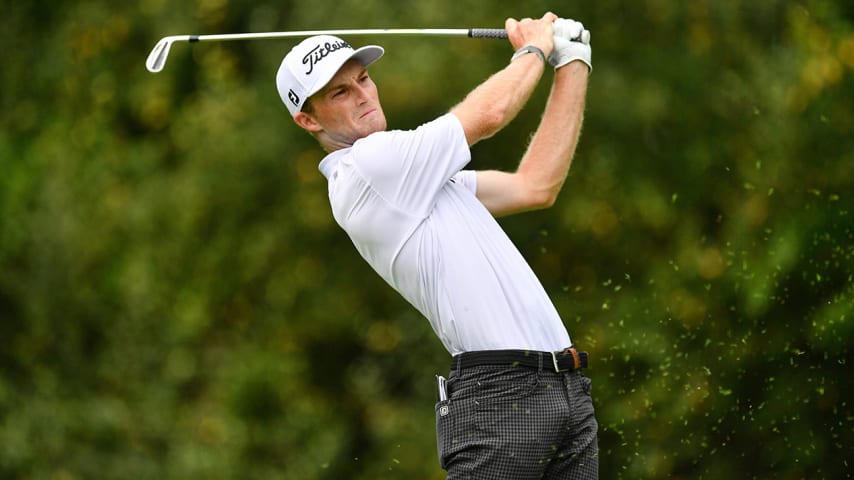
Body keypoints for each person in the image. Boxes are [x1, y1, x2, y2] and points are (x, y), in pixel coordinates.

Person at [276, 12, 597, 479]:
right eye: (340, 92)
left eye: (363, 78)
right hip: (503, 397)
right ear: (308, 119)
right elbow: (488, 115)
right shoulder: (368, 167)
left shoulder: (418, 182)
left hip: (564, 387)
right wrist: (534, 49)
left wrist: (572, 63)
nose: (363, 94)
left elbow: (535, 186)